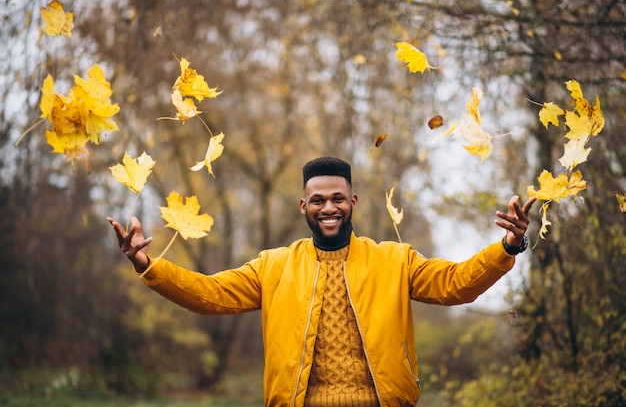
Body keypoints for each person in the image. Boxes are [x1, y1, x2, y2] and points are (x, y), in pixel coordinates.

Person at [108, 156, 536, 407]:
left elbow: (456, 284)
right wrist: (149, 265)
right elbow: (209, 294)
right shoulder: (273, 265)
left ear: (352, 203)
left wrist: (508, 245)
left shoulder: (394, 259)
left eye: (336, 199)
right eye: (318, 200)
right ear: (303, 206)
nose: (327, 207)